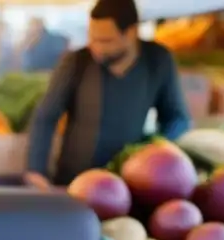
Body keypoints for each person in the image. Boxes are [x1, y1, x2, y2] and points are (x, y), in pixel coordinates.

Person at [25, 0, 191, 187]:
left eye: (105, 40)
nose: (96, 47)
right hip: (74, 182)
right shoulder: (77, 62)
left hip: (130, 184)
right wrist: (36, 170)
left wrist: (154, 153)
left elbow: (177, 119)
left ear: (131, 32)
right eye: (92, 38)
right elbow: (46, 116)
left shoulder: (158, 61)